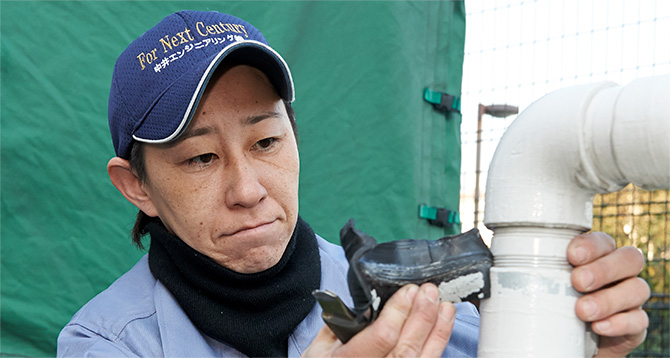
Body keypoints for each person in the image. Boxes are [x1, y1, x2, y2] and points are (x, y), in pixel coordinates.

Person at [57, 10, 650, 357]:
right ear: (136, 187)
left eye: (266, 142)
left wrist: (576, 339)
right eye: (200, 159)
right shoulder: (108, 342)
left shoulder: (408, 296)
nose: (247, 188)